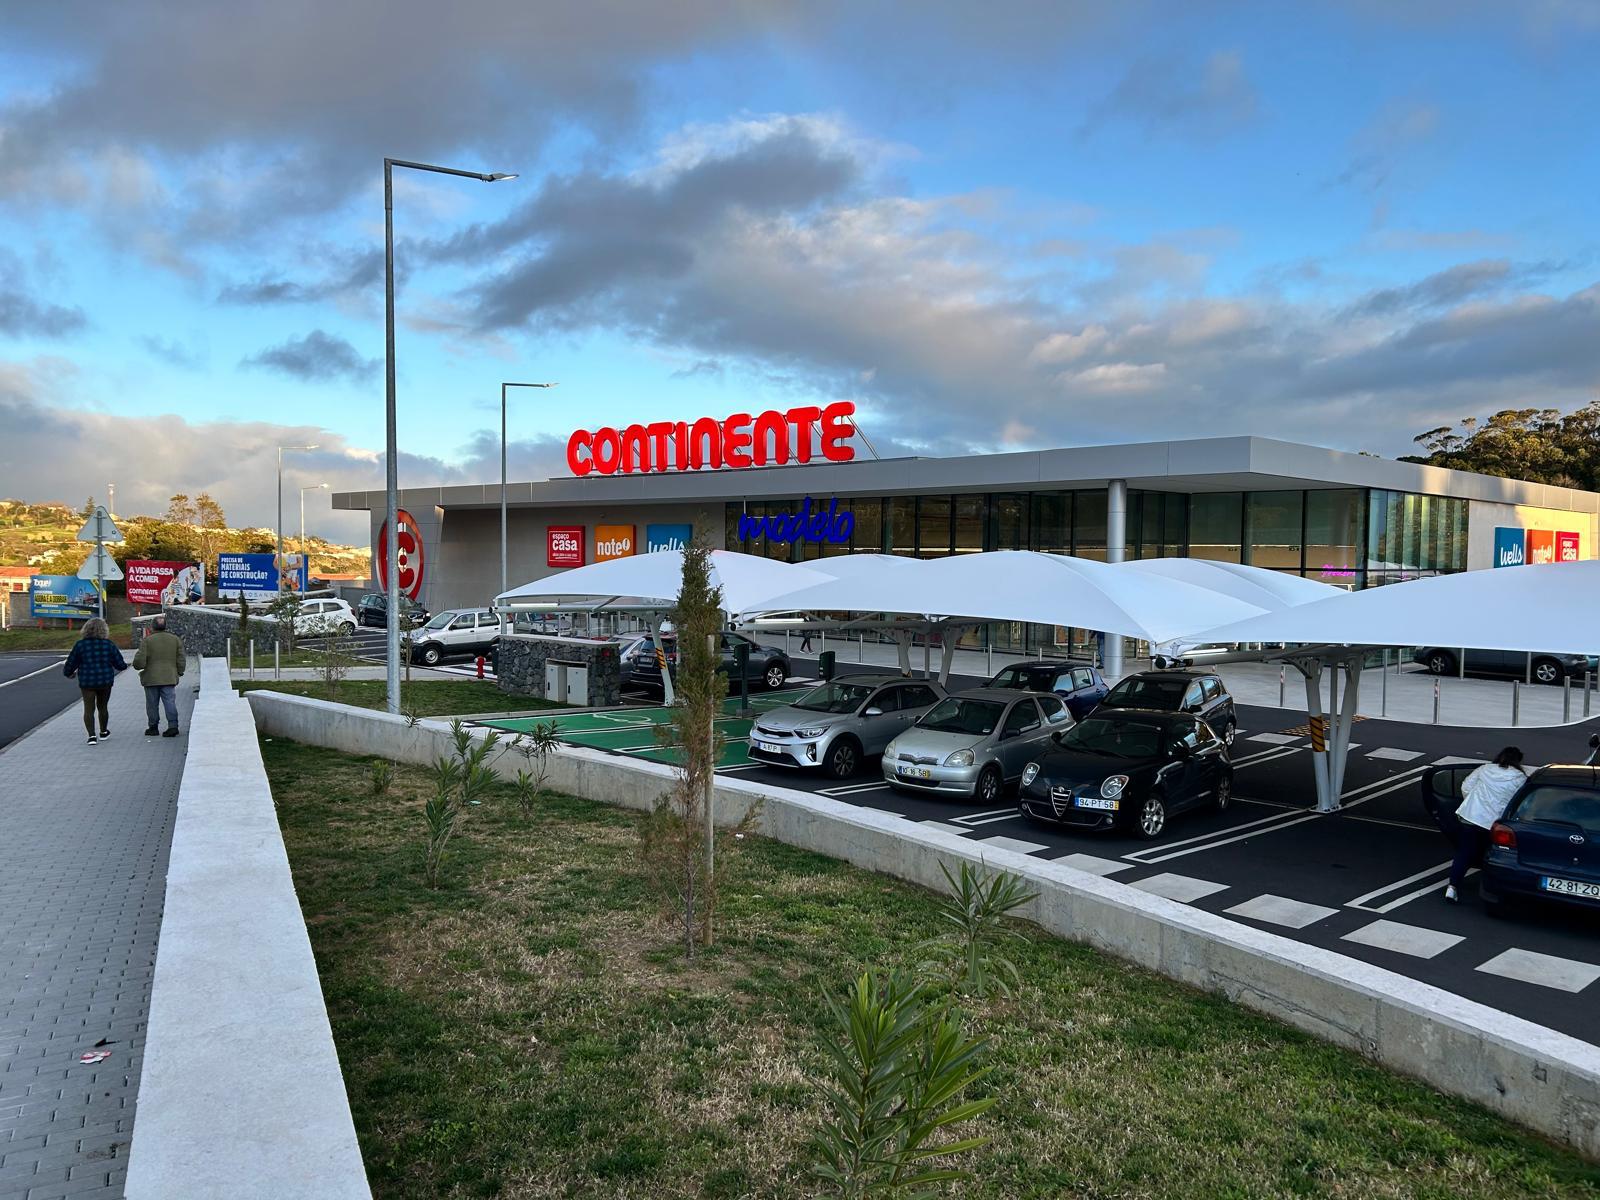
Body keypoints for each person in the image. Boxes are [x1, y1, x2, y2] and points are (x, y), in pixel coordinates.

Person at [1445, 746, 1526, 903]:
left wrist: (1473, 803)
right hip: (1493, 823)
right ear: (1518, 761)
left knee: (1464, 853)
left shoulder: (1485, 769)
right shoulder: (1520, 778)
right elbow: (1519, 802)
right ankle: (1489, 889)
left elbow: (1466, 786)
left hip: (1470, 817)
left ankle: (1452, 886)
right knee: (1491, 855)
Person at [63, 616, 128, 746]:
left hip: (87, 681)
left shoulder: (80, 645)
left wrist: (69, 673)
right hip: (105, 681)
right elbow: (121, 665)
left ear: (86, 629)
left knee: (88, 709)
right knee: (103, 707)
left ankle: (91, 736)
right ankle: (103, 732)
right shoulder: (108, 645)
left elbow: (71, 663)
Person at [133, 614, 186, 737]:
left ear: (153, 626)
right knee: (170, 702)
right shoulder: (175, 639)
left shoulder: (147, 640)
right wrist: (180, 671)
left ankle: (153, 727)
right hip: (169, 677)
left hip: (151, 678)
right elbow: (181, 658)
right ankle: (173, 726)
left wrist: (138, 666)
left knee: (152, 704)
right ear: (165, 626)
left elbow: (140, 661)